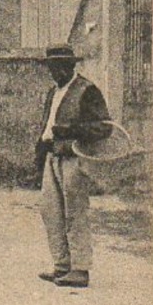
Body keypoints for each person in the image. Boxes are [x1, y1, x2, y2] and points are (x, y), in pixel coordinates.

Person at [36, 44, 113, 289]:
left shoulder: (87, 90)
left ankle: (80, 269)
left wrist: (71, 131)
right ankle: (61, 265)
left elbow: (104, 127)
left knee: (75, 211)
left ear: (71, 65)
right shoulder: (53, 92)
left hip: (74, 157)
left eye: (61, 66)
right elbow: (48, 125)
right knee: (51, 211)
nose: (56, 71)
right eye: (52, 66)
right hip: (52, 156)